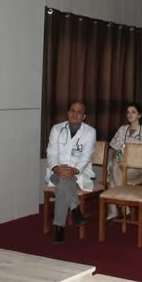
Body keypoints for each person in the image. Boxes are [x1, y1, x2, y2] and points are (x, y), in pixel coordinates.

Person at [45, 101, 96, 244]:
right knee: (63, 179)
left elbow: (86, 156)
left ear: (84, 116)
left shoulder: (90, 132)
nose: (75, 114)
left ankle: (59, 228)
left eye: (79, 112)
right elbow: (51, 152)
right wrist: (56, 168)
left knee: (63, 185)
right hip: (56, 172)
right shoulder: (57, 129)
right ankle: (75, 210)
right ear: (68, 113)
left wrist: (74, 170)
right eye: (72, 111)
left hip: (78, 173)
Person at [107, 102, 142, 218]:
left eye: (133, 112)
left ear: (139, 115)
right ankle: (120, 208)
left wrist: (126, 162)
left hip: (136, 167)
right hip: (120, 165)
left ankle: (117, 209)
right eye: (128, 112)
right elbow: (116, 149)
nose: (130, 114)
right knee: (115, 169)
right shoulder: (122, 129)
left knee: (113, 177)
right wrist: (119, 160)